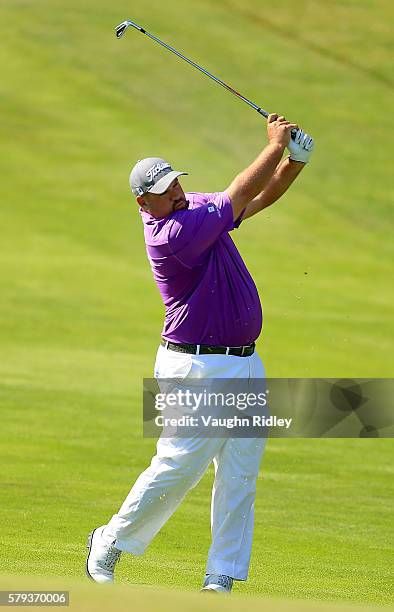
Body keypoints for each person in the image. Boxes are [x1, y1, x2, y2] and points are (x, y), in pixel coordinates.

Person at [86, 114, 314, 592]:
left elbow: (252, 198)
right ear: (142, 201)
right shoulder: (171, 234)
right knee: (180, 464)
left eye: (175, 183)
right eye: (164, 190)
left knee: (240, 472)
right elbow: (235, 193)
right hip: (196, 364)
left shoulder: (194, 210)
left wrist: (294, 162)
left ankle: (221, 575)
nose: (176, 193)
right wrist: (274, 146)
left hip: (245, 362)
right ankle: (109, 540)